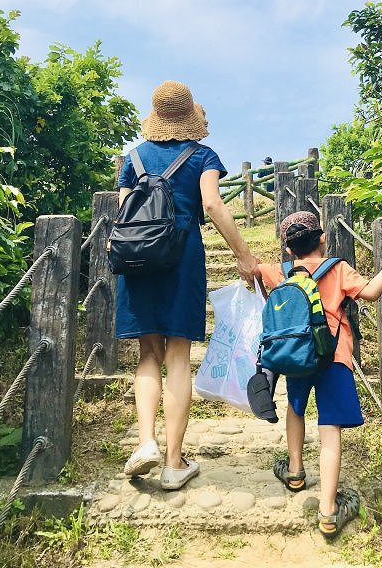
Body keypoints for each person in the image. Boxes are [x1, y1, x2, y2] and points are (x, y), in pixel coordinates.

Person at [116, 80, 258, 490]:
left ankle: (146, 442)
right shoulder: (203, 155)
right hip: (181, 253)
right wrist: (244, 256)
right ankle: (174, 464)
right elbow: (212, 204)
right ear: (190, 117)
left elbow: (125, 208)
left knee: (148, 351)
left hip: (138, 255)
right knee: (178, 354)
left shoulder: (134, 156)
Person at [255, 211, 382, 537]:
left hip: (297, 356)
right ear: (322, 239)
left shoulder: (279, 271)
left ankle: (295, 472)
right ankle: (328, 511)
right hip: (334, 355)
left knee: (296, 408)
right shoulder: (339, 268)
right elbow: (371, 293)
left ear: (288, 249)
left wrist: (252, 267)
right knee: (330, 427)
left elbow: (255, 273)